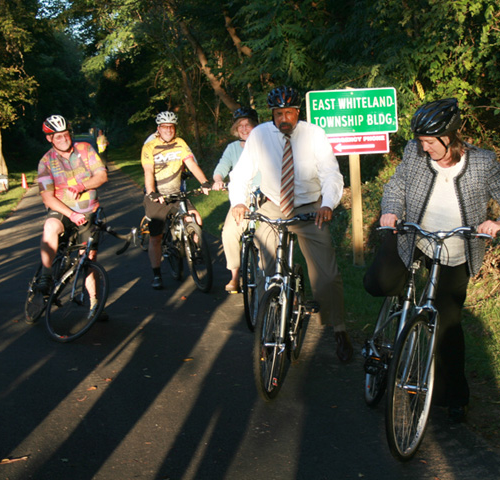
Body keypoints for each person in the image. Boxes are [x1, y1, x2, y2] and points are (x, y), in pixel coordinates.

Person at [363, 98, 500, 422]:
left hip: (456, 248)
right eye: (421, 141)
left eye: (429, 142)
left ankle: (453, 395)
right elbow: (396, 186)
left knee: (447, 323)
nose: (423, 148)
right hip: (412, 237)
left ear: (449, 137)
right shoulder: (414, 154)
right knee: (378, 282)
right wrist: (391, 210)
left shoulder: (483, 162)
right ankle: (397, 315)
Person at [228, 85, 353, 363]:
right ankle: (268, 331)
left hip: (310, 207)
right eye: (278, 113)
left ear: (298, 112)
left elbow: (331, 174)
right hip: (273, 205)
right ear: (271, 113)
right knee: (266, 272)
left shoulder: (314, 135)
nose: (284, 118)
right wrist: (237, 201)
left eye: (290, 112)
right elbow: (240, 175)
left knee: (327, 275)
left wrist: (327, 204)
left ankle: (339, 329)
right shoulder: (260, 135)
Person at [36, 115, 109, 316]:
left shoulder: (85, 149)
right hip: (62, 210)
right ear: (49, 138)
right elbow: (47, 198)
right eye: (58, 137)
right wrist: (71, 213)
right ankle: (46, 275)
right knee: (50, 227)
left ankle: (94, 304)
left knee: (88, 259)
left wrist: (82, 186)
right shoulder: (46, 162)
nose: (64, 139)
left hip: (89, 211)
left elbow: (102, 175)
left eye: (66, 134)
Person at [141, 111, 211, 289]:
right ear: (159, 129)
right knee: (155, 238)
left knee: (195, 218)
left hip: (176, 192)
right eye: (164, 127)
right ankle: (156, 274)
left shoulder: (180, 143)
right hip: (157, 195)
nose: (168, 130)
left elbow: (191, 164)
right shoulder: (149, 147)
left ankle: (196, 251)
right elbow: (148, 171)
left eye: (171, 127)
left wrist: (204, 182)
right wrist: (152, 192)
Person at [211, 107, 260, 293]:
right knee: (229, 233)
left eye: (248, 124)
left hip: (265, 197)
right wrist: (217, 179)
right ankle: (235, 276)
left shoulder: (264, 144)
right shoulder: (232, 148)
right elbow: (222, 166)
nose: (244, 128)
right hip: (242, 198)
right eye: (240, 126)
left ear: (255, 126)